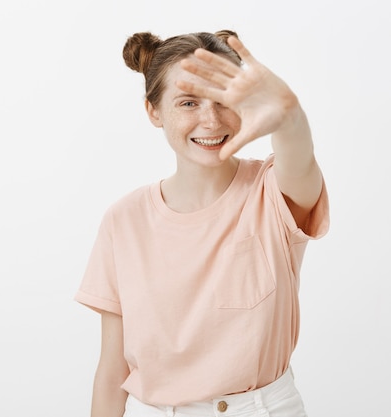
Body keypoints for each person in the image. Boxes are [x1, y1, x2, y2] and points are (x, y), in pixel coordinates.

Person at [74, 30, 329, 417]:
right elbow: (112, 372)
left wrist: (289, 115)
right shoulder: (122, 221)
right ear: (153, 111)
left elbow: (299, 153)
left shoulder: (273, 191)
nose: (210, 120)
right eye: (188, 102)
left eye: (224, 100)